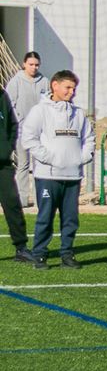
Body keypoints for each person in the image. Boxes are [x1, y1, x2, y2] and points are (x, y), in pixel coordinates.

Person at [20, 70, 93, 270]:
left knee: (70, 218)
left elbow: (89, 139)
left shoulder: (78, 113)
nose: (72, 91)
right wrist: (49, 158)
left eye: (74, 88)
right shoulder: (39, 111)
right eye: (68, 87)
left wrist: (81, 158)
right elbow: (29, 139)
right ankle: (40, 254)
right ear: (55, 85)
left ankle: (67, 254)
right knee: (45, 217)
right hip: (47, 176)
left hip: (73, 176)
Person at [6, 51, 48, 206]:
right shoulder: (16, 82)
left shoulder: (44, 82)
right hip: (22, 132)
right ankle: (22, 199)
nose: (34, 67)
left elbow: (47, 105)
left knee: (40, 166)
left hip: (39, 133)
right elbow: (9, 106)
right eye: (31, 64)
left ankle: (39, 199)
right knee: (23, 165)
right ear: (24, 64)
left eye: (37, 65)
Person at [0, 86, 29, 260]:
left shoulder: (2, 95)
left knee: (12, 205)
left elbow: (12, 124)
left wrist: (7, 148)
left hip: (3, 165)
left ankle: (21, 248)